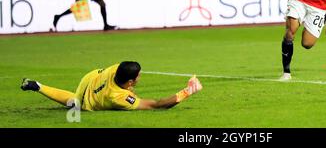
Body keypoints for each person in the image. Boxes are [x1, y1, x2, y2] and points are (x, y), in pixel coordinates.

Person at [20, 61, 202, 110]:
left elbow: (125, 84)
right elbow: (156, 104)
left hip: (90, 78)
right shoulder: (119, 98)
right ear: (130, 82)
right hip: (90, 98)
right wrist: (188, 91)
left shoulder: (118, 68)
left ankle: (38, 85)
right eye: (137, 77)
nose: (139, 79)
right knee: (75, 103)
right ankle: (39, 87)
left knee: (74, 96)